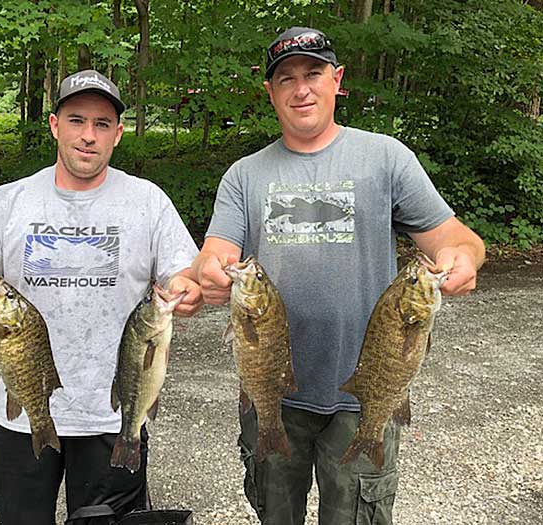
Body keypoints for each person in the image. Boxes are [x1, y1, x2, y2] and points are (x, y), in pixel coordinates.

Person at [191, 27, 485, 525]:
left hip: (366, 391)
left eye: (313, 73)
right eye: (286, 79)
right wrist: (211, 272)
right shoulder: (244, 175)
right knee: (274, 514)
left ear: (337, 79)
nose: (301, 89)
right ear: (271, 91)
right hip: (272, 391)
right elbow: (216, 253)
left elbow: (459, 239)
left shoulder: (386, 158)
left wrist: (463, 259)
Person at [0, 69, 202, 525]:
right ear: (54, 124)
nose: (88, 136)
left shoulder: (148, 201)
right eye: (76, 120)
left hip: (113, 412)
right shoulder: (8, 201)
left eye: (102, 124)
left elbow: (185, 275)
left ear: (118, 134)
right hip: (25, 407)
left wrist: (188, 289)